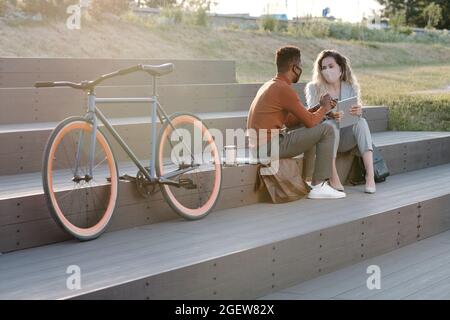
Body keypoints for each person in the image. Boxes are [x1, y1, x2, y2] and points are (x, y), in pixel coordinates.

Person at [246, 46, 346, 199]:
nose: (301, 68)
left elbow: (293, 122)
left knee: (314, 126)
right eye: (299, 65)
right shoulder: (284, 89)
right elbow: (311, 122)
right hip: (267, 148)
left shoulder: (272, 85)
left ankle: (309, 182)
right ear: (294, 67)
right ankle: (319, 185)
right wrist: (325, 108)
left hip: (261, 147)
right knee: (327, 130)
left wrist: (319, 107)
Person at [304, 49, 376, 194]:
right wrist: (329, 114)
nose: (327, 71)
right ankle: (333, 175)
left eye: (331, 66)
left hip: (347, 137)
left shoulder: (350, 87)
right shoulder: (314, 88)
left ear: (341, 69)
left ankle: (370, 176)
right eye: (323, 67)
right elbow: (311, 117)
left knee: (361, 123)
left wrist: (358, 112)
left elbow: (355, 112)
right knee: (330, 126)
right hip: (326, 139)